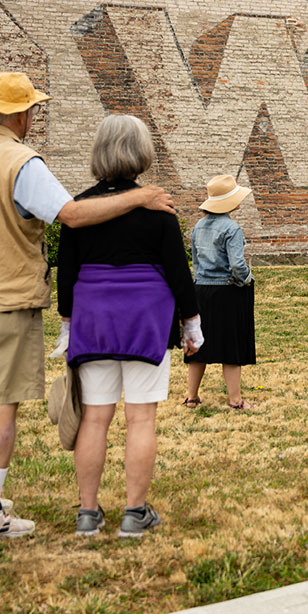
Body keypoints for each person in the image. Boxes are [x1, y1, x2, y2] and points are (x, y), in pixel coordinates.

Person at [0, 72, 175, 547]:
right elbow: (73, 215)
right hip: (6, 299)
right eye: (32, 111)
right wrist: (142, 196)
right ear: (21, 114)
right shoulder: (20, 160)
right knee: (3, 404)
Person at [57, 115, 201, 539]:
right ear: (142, 152)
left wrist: (67, 323)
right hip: (146, 318)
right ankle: (134, 513)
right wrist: (191, 324)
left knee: (94, 420)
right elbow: (179, 271)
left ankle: (88, 513)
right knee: (141, 420)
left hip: (93, 318)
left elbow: (66, 272)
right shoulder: (156, 207)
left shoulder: (80, 209)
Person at [187, 175, 257, 409]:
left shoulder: (198, 227)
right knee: (231, 346)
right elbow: (237, 265)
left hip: (201, 291)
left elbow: (195, 262)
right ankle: (235, 400)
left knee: (198, 346)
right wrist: (247, 278)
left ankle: (191, 397)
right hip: (226, 292)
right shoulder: (232, 228)